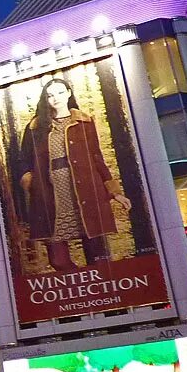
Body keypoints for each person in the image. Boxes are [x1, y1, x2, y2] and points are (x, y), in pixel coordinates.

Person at [18, 77, 131, 273]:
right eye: (50, 95)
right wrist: (30, 182)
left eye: (60, 93)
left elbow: (97, 157)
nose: (56, 99)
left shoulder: (84, 121)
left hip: (85, 188)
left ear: (69, 93)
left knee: (96, 252)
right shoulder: (36, 127)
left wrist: (114, 192)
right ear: (45, 99)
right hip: (50, 191)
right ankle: (78, 284)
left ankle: (97, 291)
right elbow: (24, 159)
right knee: (58, 259)